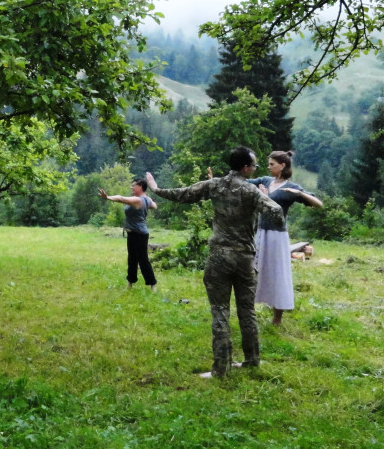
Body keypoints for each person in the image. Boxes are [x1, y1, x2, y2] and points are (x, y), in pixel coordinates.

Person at [146, 147, 282, 379]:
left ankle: (221, 369)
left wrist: (155, 188)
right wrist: (261, 199)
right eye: (255, 166)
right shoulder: (250, 190)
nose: (255, 169)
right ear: (245, 167)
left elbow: (182, 194)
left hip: (219, 256)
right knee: (247, 311)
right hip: (245, 257)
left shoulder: (214, 185)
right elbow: (276, 212)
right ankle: (251, 361)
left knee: (220, 312)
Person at [249, 151, 323, 326]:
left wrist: (298, 193)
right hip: (261, 233)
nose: (269, 167)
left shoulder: (291, 187)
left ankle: (277, 318)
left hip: (277, 236)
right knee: (255, 271)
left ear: (282, 165)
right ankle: (250, 311)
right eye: (268, 164)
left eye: (272, 164)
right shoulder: (265, 181)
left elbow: (318, 204)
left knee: (278, 273)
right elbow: (242, 182)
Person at [98, 178, 158, 291]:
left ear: (140, 187)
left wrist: (107, 197)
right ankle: (130, 283)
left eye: (134, 185)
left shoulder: (138, 200)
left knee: (143, 259)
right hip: (133, 233)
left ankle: (152, 284)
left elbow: (121, 198)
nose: (132, 187)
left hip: (139, 234)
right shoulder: (147, 199)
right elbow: (154, 206)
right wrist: (148, 205)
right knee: (132, 259)